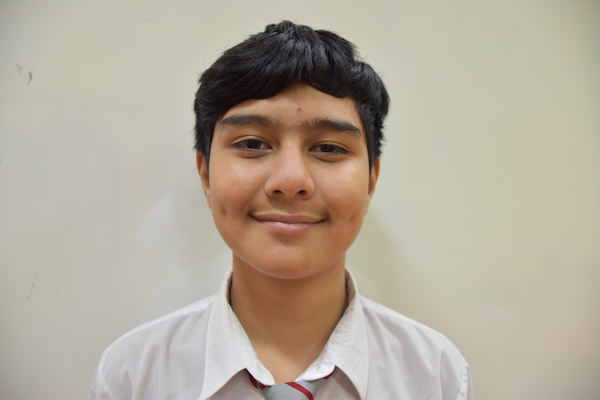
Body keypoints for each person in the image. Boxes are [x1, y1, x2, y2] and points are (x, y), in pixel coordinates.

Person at [89, 21, 473, 400]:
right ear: (205, 174)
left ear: (371, 179)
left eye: (329, 148)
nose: (290, 180)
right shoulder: (132, 377)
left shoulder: (436, 376)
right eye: (252, 144)